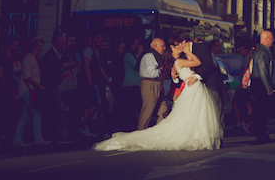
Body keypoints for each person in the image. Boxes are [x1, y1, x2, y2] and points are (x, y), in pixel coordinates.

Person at [93, 41, 223, 151]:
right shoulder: (179, 61)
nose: (178, 49)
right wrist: (188, 51)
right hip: (193, 88)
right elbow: (198, 62)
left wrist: (176, 74)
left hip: (191, 87)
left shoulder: (177, 63)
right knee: (192, 113)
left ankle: (196, 136)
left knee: (191, 114)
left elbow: (179, 76)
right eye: (174, 49)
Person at [14, 37, 51, 147]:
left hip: (24, 90)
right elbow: (27, 76)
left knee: (25, 116)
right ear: (34, 47)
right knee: (36, 112)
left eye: (41, 46)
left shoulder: (30, 58)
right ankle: (38, 138)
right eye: (39, 46)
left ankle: (17, 139)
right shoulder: (30, 58)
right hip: (27, 89)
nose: (41, 48)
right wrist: (39, 85)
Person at [41, 30, 70, 142]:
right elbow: (47, 72)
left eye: (63, 43)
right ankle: (60, 136)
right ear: (54, 43)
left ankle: (55, 135)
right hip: (51, 88)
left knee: (55, 112)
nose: (63, 45)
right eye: (61, 43)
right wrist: (51, 85)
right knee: (59, 110)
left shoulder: (56, 55)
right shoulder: (52, 55)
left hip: (52, 87)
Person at [79, 33, 109, 138]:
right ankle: (84, 125)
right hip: (90, 81)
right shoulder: (89, 49)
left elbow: (100, 66)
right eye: (98, 37)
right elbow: (86, 64)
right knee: (96, 103)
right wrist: (89, 79)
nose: (100, 39)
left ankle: (85, 126)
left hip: (92, 80)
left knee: (88, 105)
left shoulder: (95, 50)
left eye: (101, 37)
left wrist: (108, 80)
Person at [249, 30, 275, 144]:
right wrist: (268, 88)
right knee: (263, 110)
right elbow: (262, 71)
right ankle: (258, 131)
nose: (273, 40)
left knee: (264, 110)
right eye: (271, 38)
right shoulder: (261, 52)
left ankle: (259, 131)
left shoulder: (265, 51)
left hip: (262, 84)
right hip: (261, 85)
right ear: (265, 39)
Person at [137, 38, 169, 131]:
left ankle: (159, 131)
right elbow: (152, 73)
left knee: (163, 109)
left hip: (156, 83)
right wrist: (161, 69)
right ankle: (140, 133)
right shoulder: (150, 56)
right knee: (147, 111)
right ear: (155, 46)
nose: (164, 48)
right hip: (150, 84)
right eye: (162, 46)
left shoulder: (155, 56)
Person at [119, 38, 142, 131]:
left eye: (138, 43)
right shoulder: (128, 55)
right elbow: (137, 65)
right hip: (130, 85)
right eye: (134, 43)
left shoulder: (133, 55)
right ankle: (142, 125)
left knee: (134, 107)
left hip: (135, 85)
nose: (136, 45)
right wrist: (140, 54)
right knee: (133, 108)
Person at [234, 41, 253, 133]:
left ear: (247, 50)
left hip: (244, 85)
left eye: (242, 49)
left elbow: (246, 72)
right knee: (247, 103)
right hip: (246, 85)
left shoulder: (246, 59)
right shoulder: (248, 58)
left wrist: (242, 84)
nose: (240, 51)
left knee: (237, 102)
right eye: (239, 50)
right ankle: (249, 122)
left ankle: (241, 122)